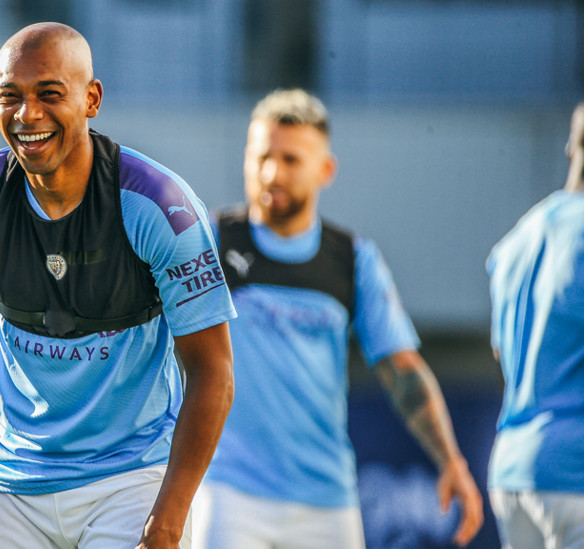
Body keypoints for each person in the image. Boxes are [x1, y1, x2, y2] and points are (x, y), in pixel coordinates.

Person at [0, 22, 236, 549]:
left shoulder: (161, 205)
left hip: (130, 482)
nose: (27, 114)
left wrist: (167, 521)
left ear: (91, 98)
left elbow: (213, 371)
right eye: (10, 96)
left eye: (49, 94)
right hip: (10, 485)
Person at [191, 89, 484, 548]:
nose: (272, 172)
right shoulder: (208, 242)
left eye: (291, 159)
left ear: (325, 170)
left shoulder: (353, 259)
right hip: (228, 492)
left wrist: (452, 462)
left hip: (328, 500)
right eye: (262, 156)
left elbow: (403, 371)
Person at [485, 102, 584, 549]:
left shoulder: (517, 239)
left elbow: (502, 353)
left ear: (570, 148)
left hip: (512, 470)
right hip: (574, 474)